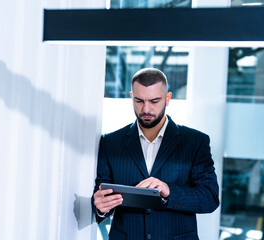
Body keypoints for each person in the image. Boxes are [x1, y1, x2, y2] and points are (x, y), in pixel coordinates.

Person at [92, 68, 219, 240]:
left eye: (154, 101)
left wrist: (169, 191)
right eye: (139, 101)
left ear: (167, 99)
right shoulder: (110, 142)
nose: (146, 109)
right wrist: (100, 206)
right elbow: (101, 193)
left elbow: (209, 198)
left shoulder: (195, 142)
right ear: (131, 97)